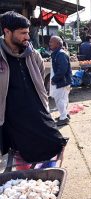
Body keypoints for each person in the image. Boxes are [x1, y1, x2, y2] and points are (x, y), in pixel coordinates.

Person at [0, 11, 67, 163]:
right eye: (23, 33)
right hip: (10, 116)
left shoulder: (33, 54)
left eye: (28, 33)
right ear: (7, 32)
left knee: (56, 143)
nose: (27, 37)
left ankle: (44, 178)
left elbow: (40, 78)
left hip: (37, 111)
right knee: (19, 155)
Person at [49, 36, 72, 126]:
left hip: (62, 82)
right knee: (63, 99)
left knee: (60, 100)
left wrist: (55, 79)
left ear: (58, 44)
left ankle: (64, 118)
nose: (50, 43)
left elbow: (62, 69)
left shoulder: (60, 54)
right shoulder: (57, 53)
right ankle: (64, 114)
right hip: (63, 81)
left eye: (52, 42)